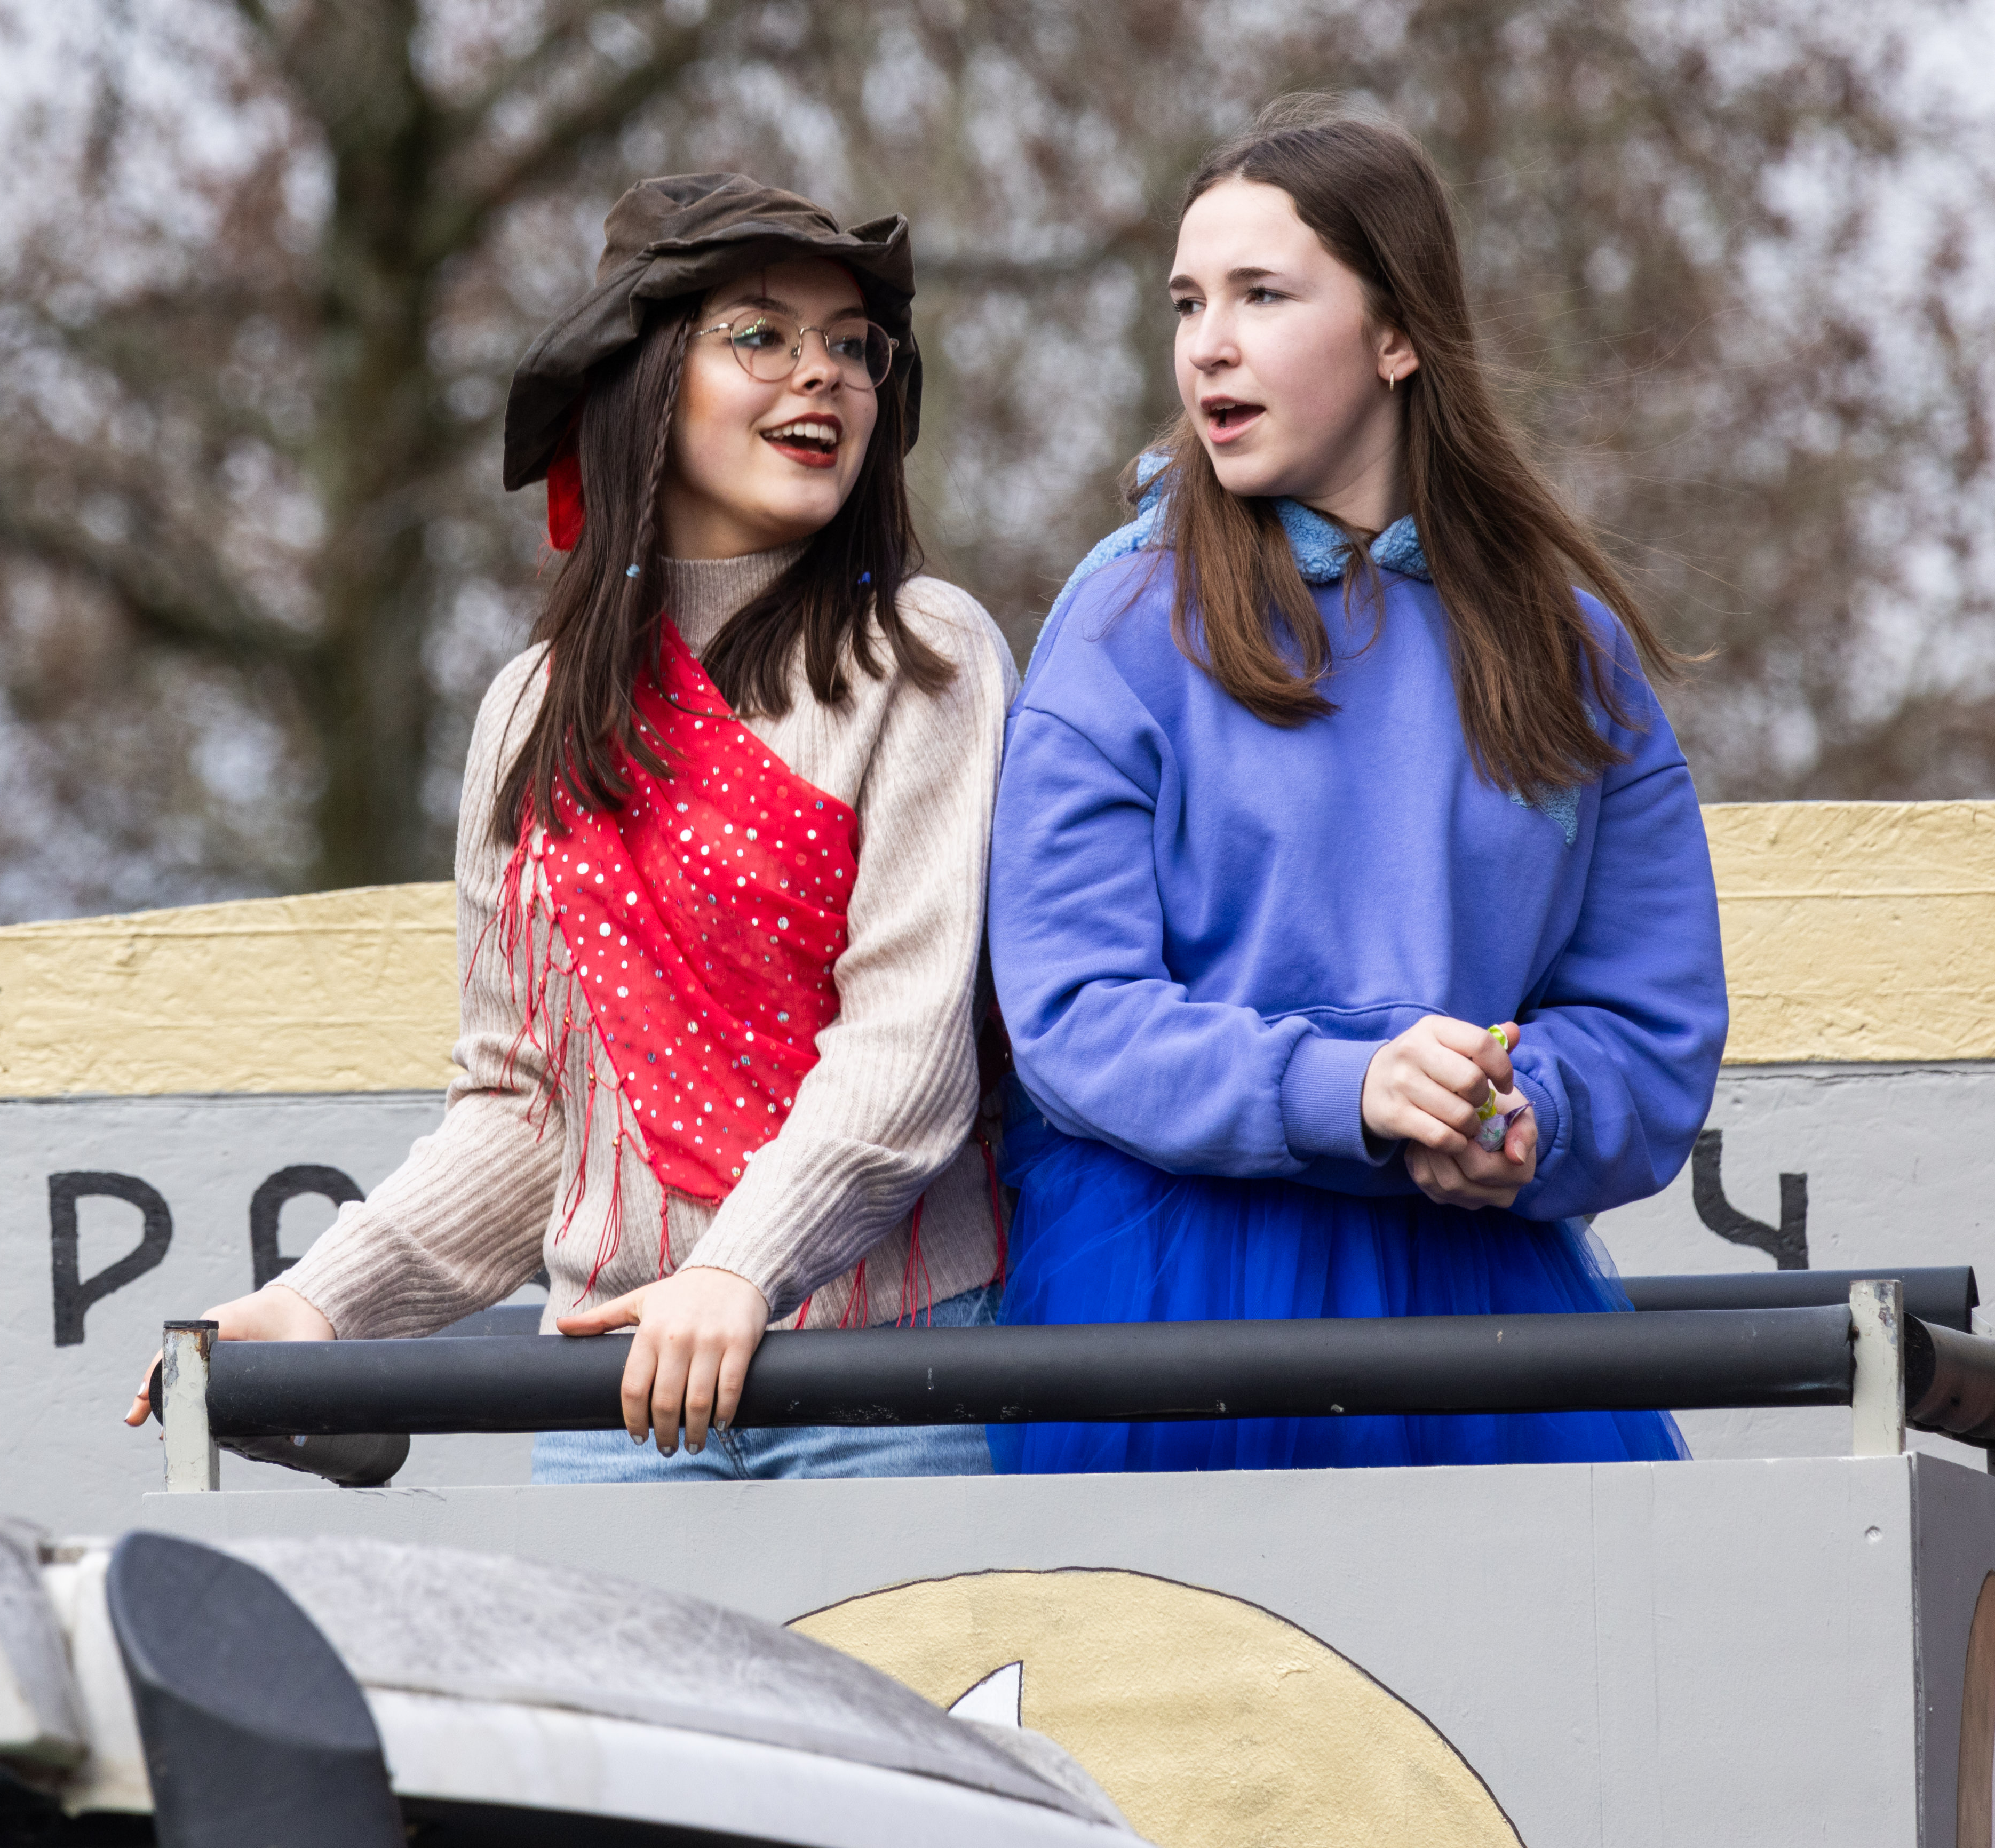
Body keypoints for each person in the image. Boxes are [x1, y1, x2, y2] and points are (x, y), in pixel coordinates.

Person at [126, 173, 1018, 1480]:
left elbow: (908, 1050)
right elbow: (528, 1107)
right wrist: (321, 1300)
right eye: (760, 334)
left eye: (851, 344)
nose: (821, 372)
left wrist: (734, 1272)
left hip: (884, 1385)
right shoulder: (532, 710)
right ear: (642, 383)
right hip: (611, 1398)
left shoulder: (924, 654)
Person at [986, 98, 1727, 1472]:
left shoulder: (1569, 649)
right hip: (1174, 1292)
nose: (1206, 343)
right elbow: (1070, 1010)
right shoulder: (1117, 621)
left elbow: (1650, 1025)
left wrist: (1523, 1113)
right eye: (1186, 303)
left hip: (1478, 1295)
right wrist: (1348, 1086)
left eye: (1261, 295)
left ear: (1396, 334)